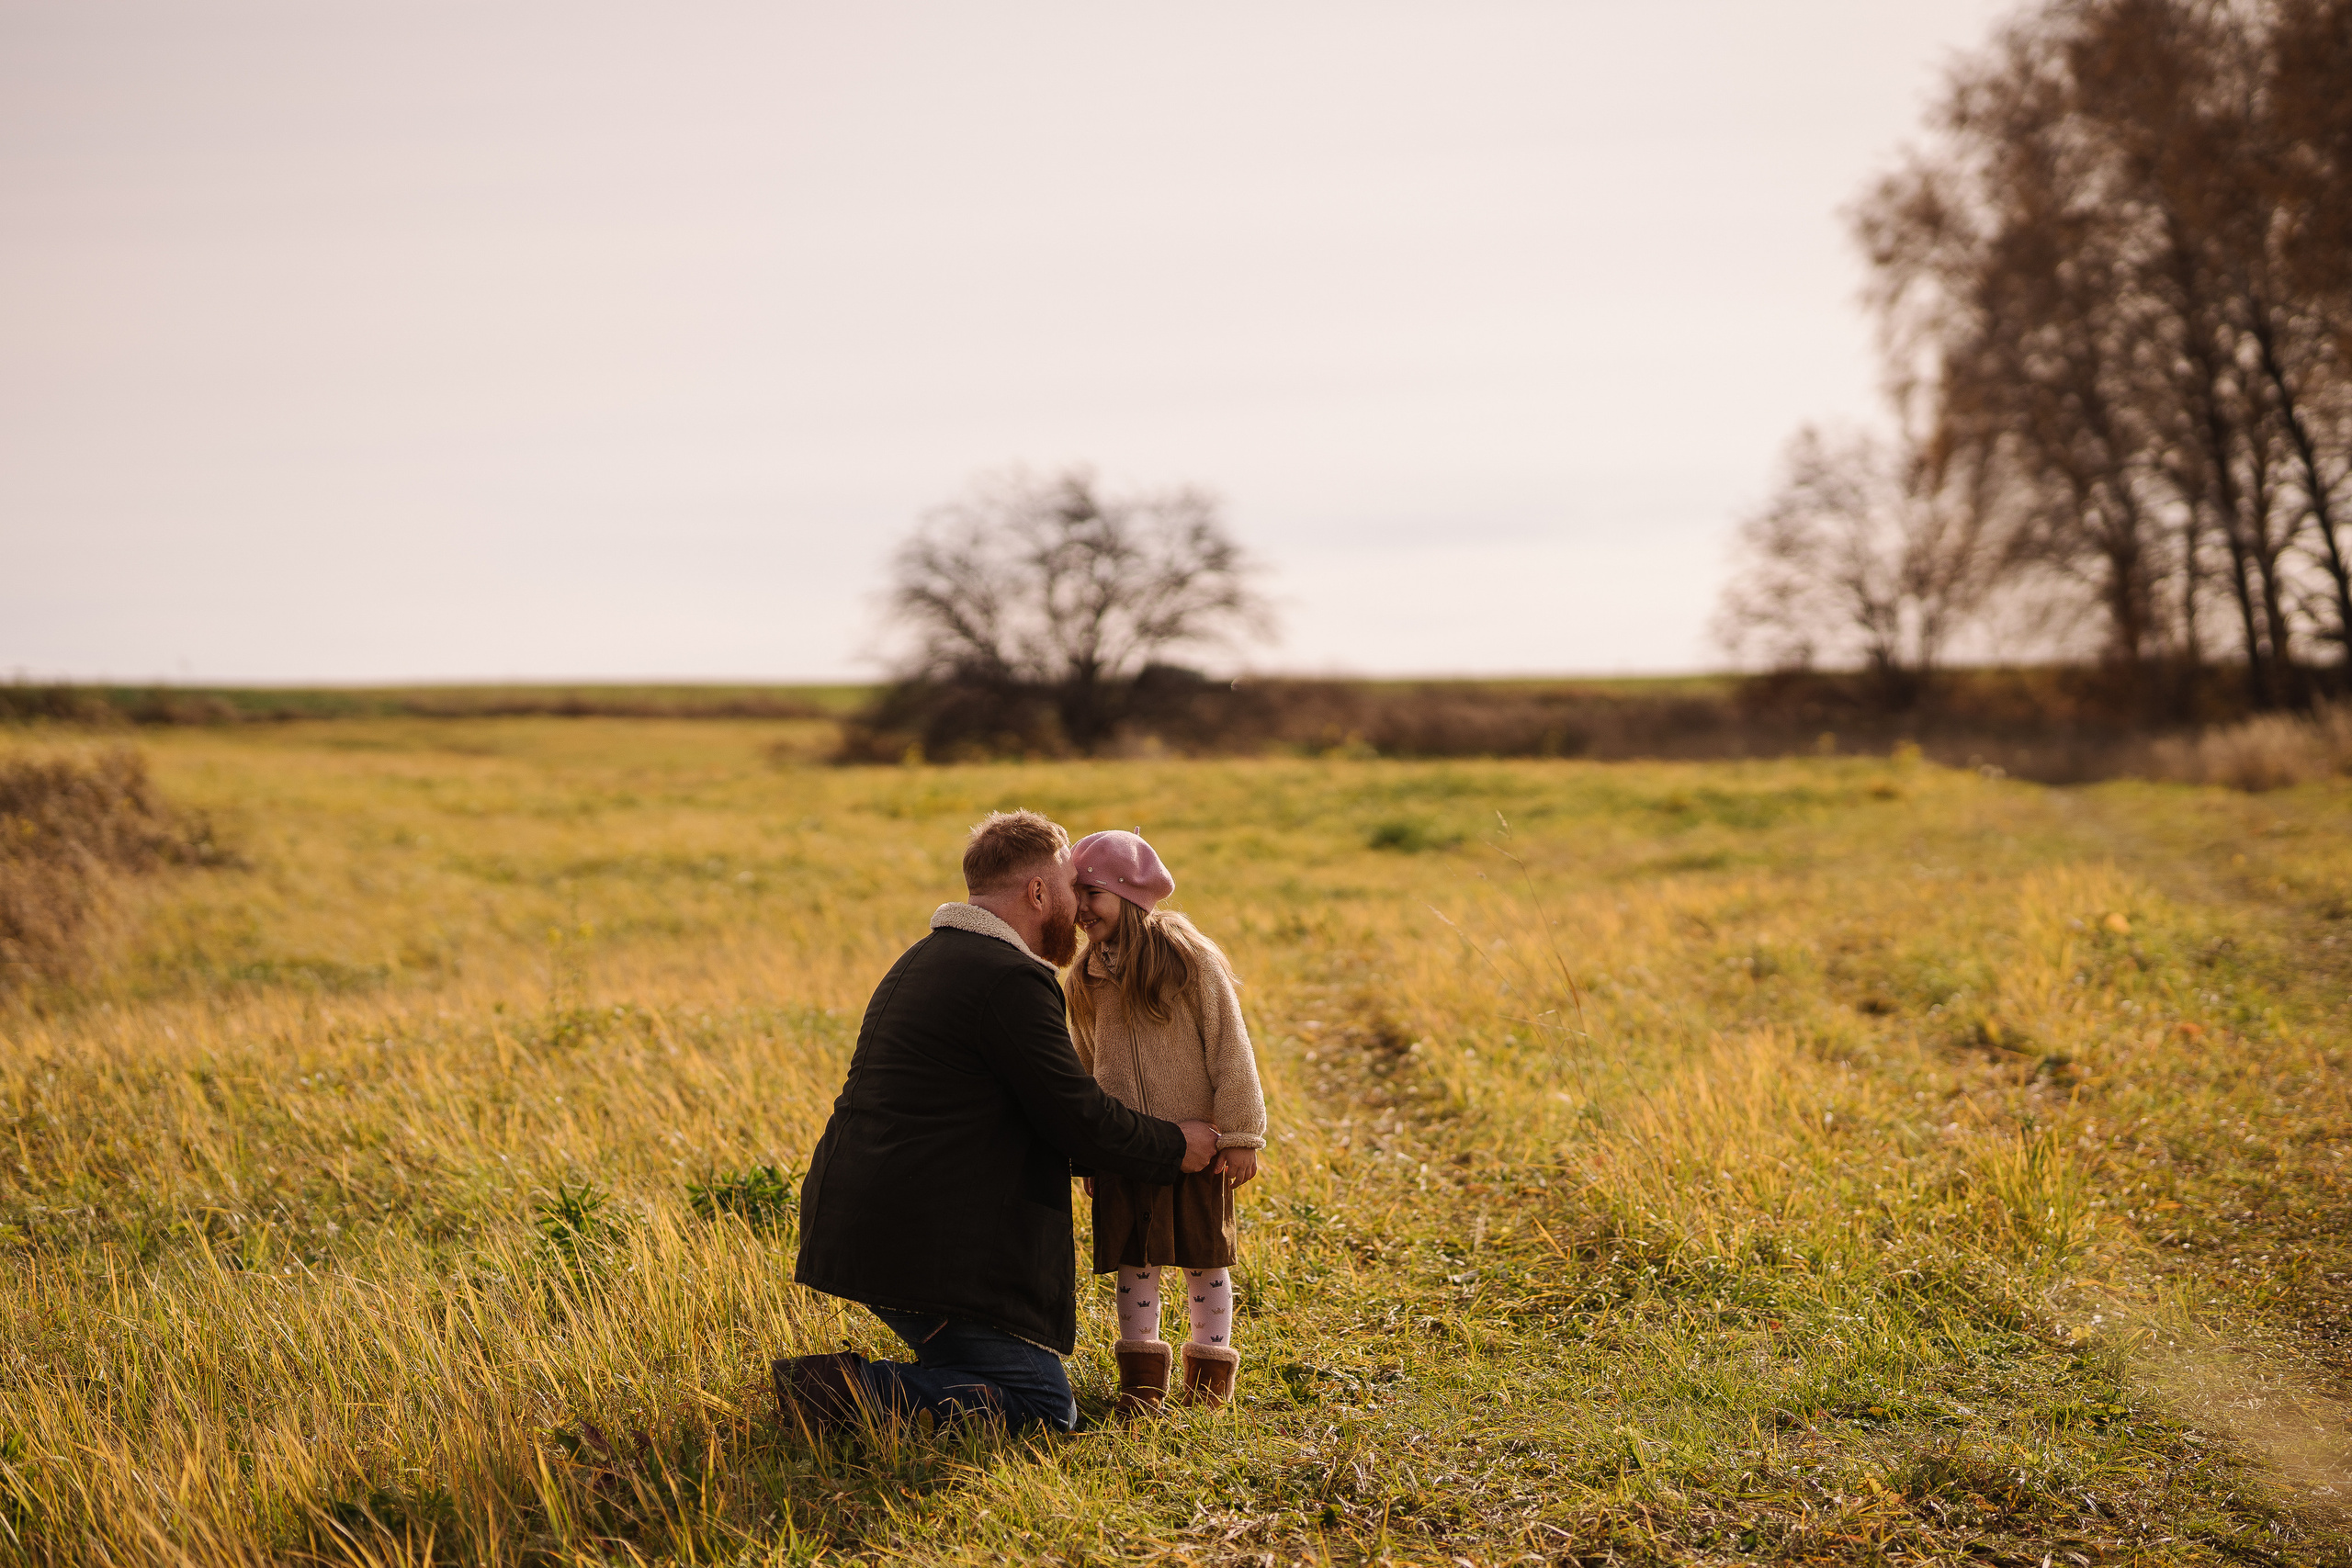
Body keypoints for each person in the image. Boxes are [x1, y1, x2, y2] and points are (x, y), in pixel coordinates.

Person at [777, 809, 1221, 1436]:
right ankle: (832, 1392)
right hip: (920, 1245)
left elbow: (1042, 1111)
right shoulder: (1008, 978)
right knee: (1042, 1407)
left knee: (995, 1377)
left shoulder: (925, 959)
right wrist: (1175, 1145)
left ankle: (890, 1381)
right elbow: (1077, 1118)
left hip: (874, 1226)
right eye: (1070, 886)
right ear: (1038, 892)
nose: (1079, 905)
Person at [1065, 829, 1267, 1412]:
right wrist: (1094, 1150)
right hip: (1128, 1151)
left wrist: (1242, 1134)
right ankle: (1142, 1388)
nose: (1081, 909)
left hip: (1201, 1150)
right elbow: (1083, 1063)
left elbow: (1230, 1046)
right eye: (1076, 895)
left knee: (1206, 1259)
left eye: (1092, 894)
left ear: (1130, 895)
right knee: (1135, 1263)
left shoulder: (1189, 961)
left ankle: (1210, 1385)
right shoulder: (1086, 976)